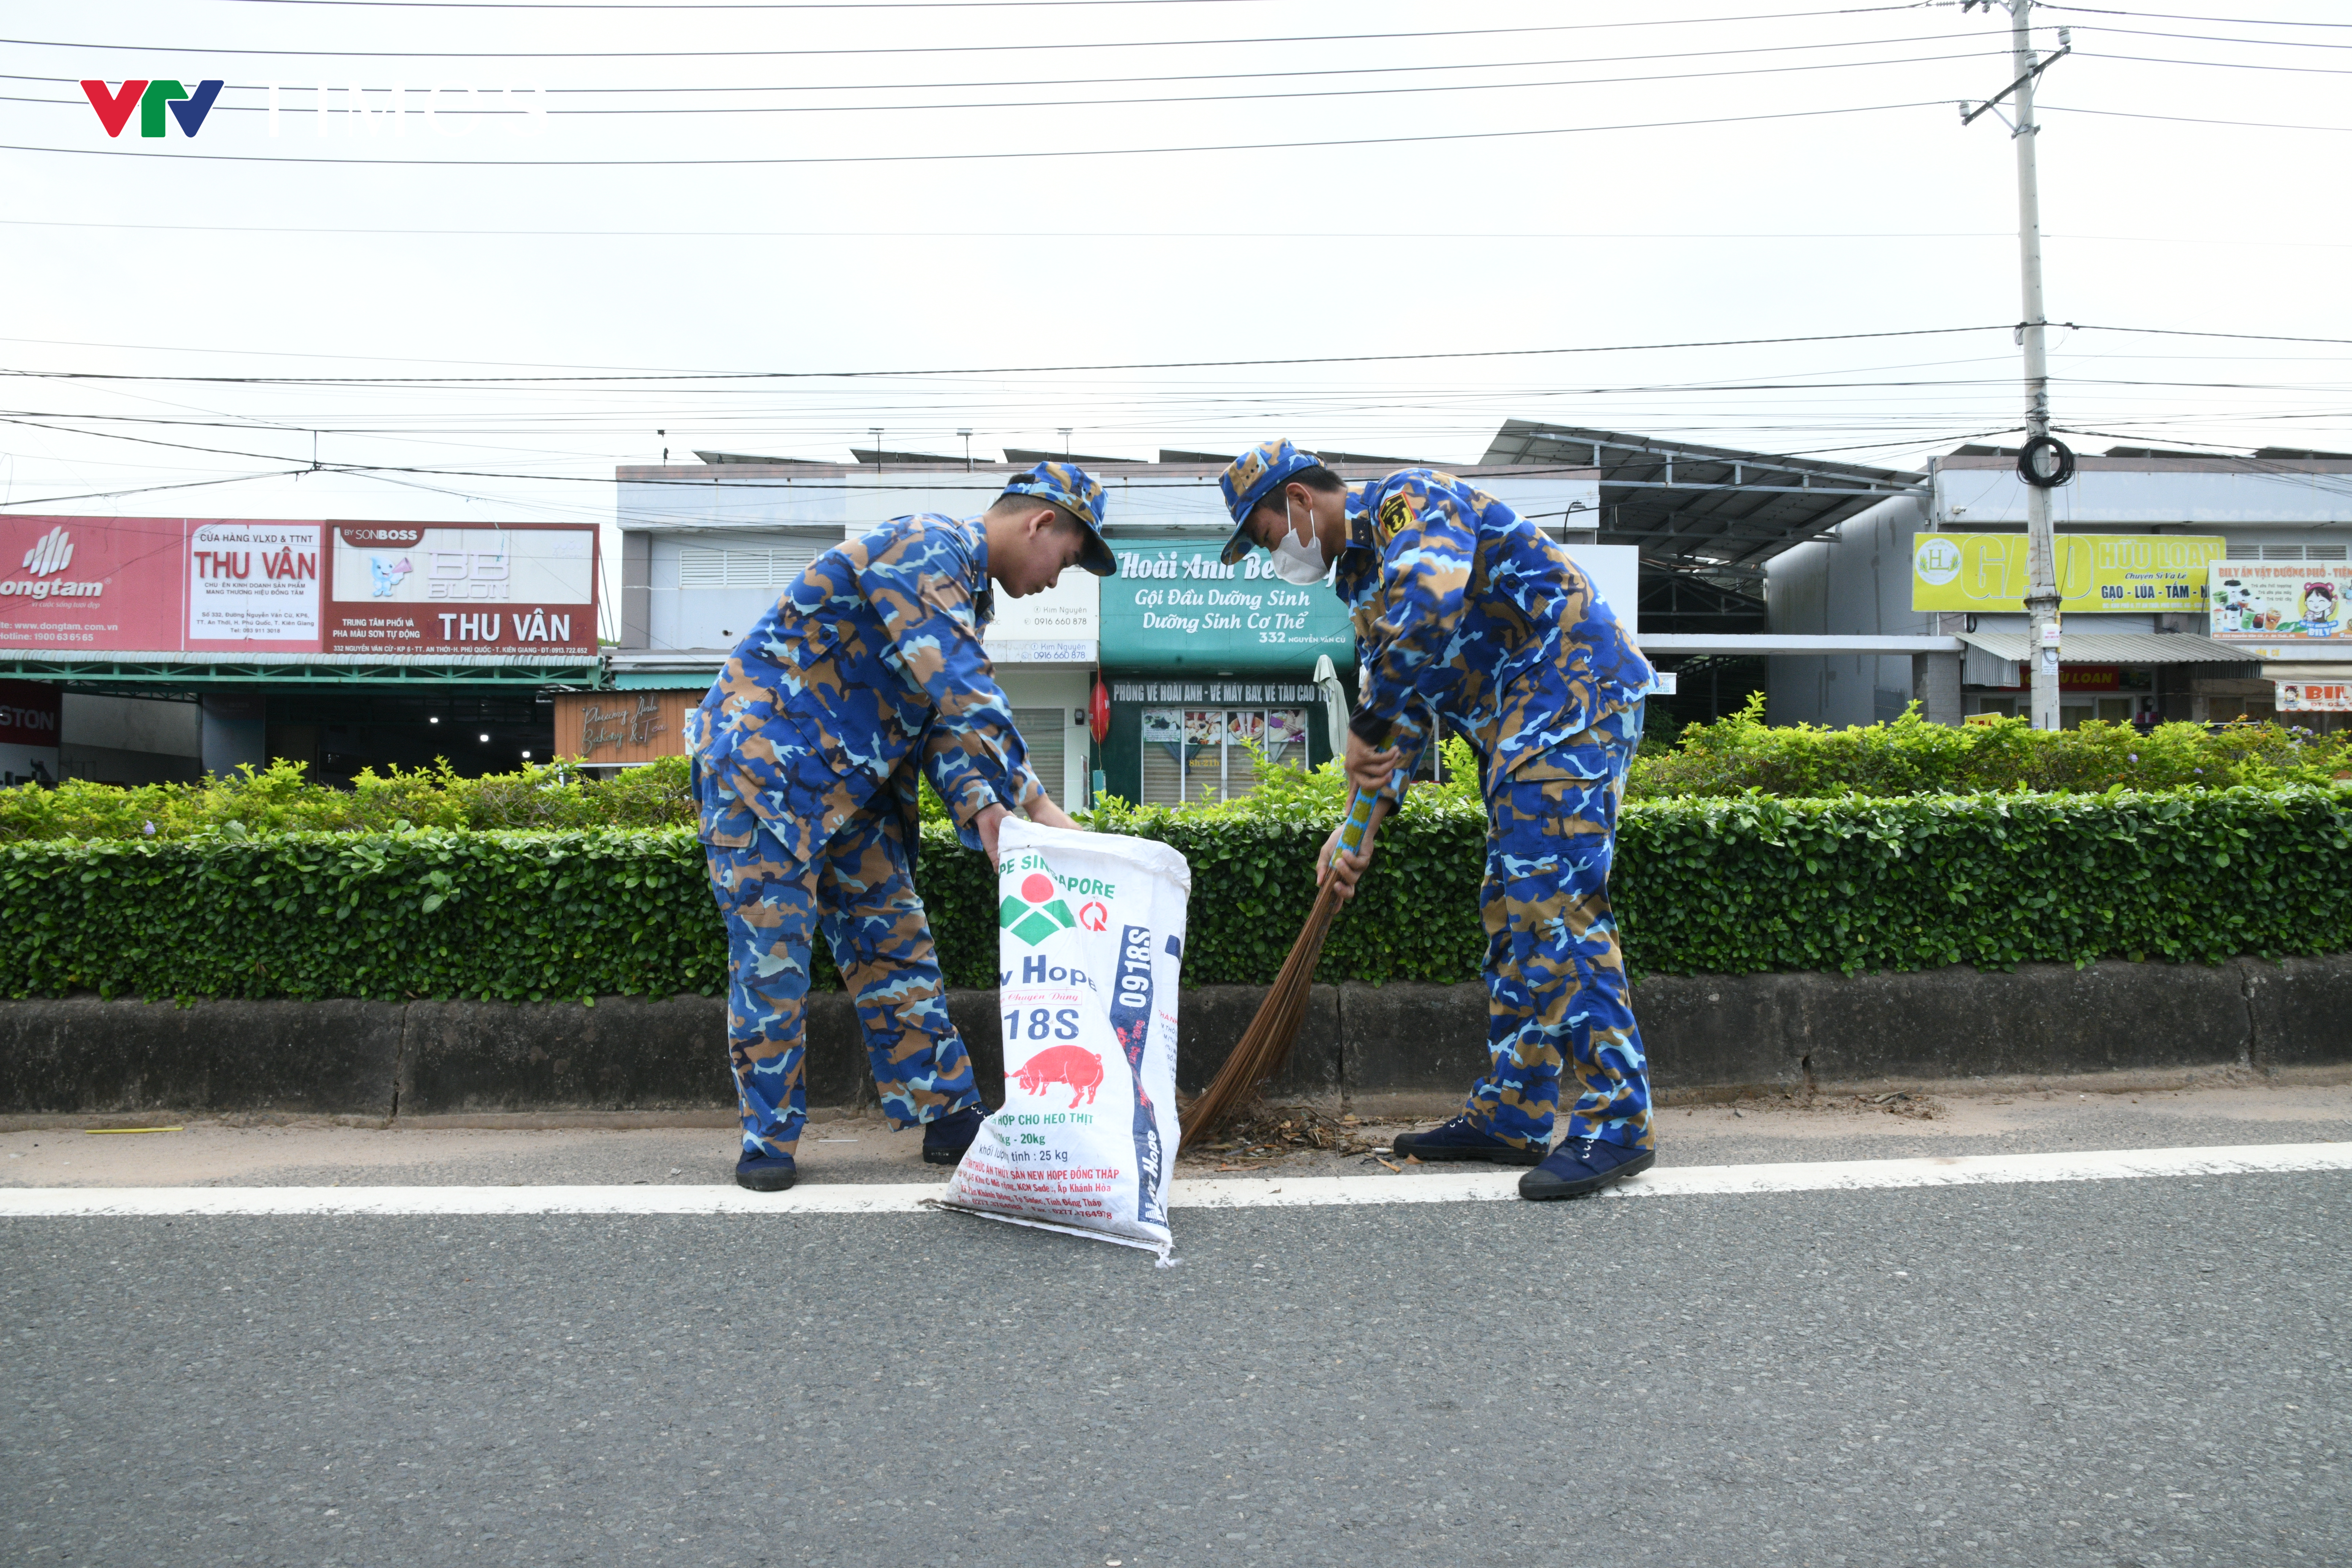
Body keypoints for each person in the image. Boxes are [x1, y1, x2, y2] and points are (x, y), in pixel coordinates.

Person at [1216, 440, 1658, 1200]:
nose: (1272, 555)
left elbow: (1431, 604)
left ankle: (1620, 1120)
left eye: (1263, 537)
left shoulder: (1410, 504)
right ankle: (1514, 1113)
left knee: (1551, 906)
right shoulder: (1359, 583)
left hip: (1572, 700)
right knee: (1510, 910)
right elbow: (1404, 719)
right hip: (1520, 727)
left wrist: (1366, 720)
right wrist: (1356, 831)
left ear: (1296, 503)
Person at [686, 462, 1118, 1192]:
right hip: (763, 770)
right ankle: (768, 1140)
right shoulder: (927, 547)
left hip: (855, 789)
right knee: (773, 957)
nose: (1057, 580)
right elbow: (960, 684)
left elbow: (945, 725)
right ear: (1041, 523)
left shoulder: (961, 599)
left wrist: (990, 811)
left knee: (896, 938)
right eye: (1069, 560)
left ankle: (949, 1116)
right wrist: (1040, 805)